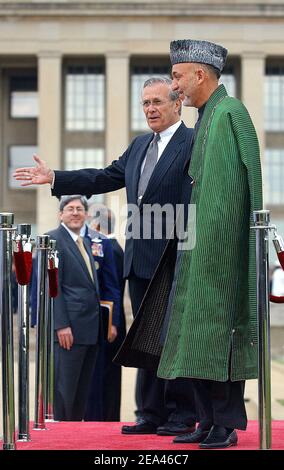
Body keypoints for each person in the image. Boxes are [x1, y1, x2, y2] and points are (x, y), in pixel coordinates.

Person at [13, 76, 196, 435]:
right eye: (145, 103)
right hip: (140, 261)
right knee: (144, 338)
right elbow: (103, 177)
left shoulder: (194, 143)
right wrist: (56, 178)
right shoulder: (140, 146)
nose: (150, 109)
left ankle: (181, 413)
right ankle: (150, 412)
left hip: (178, 258)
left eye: (157, 102)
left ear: (177, 104)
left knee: (174, 338)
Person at [116, 39, 263, 448]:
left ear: (200, 74)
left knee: (216, 336)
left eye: (178, 77)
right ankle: (205, 418)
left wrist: (227, 248)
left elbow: (247, 185)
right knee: (189, 335)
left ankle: (225, 424)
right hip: (192, 249)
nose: (175, 86)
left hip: (218, 254)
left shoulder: (231, 114)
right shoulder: (206, 119)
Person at [47, 195, 101, 421]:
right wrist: (61, 325)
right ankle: (62, 435)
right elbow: (52, 286)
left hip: (88, 329)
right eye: (70, 209)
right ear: (61, 214)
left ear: (86, 215)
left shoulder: (85, 242)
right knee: (65, 390)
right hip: (68, 330)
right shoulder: (53, 239)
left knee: (80, 392)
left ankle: (75, 434)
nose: (76, 213)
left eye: (80, 209)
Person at [87, 205, 127, 421]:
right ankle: (108, 416)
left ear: (96, 224)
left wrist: (113, 322)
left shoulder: (108, 247)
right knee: (108, 375)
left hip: (108, 317)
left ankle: (105, 417)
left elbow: (111, 288)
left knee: (103, 374)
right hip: (111, 316)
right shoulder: (115, 246)